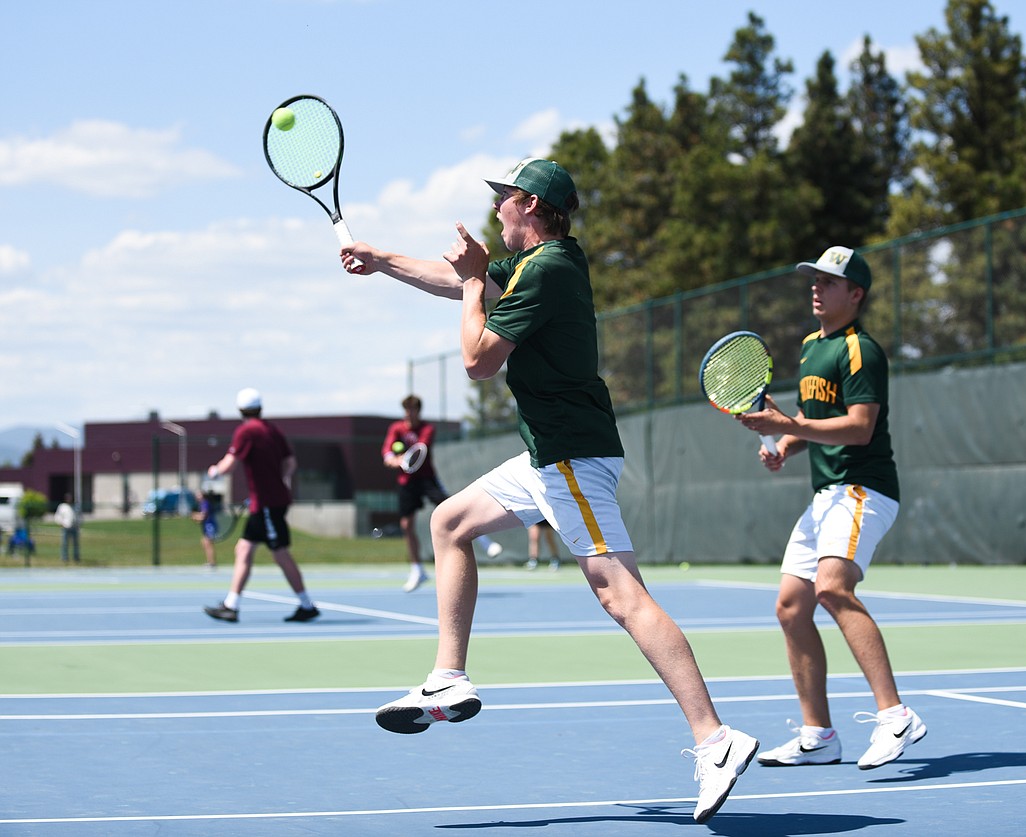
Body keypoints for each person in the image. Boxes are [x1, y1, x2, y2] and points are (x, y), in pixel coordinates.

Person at [341, 158, 758, 823]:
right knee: (449, 522)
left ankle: (715, 738)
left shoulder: (549, 270)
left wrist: (478, 276)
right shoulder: (546, 263)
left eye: (503, 199)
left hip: (570, 457)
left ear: (529, 204)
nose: (497, 209)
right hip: (549, 456)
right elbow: (458, 283)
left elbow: (478, 360)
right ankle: (448, 678)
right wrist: (381, 258)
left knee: (622, 597)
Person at [735, 245, 926, 771]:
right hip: (827, 495)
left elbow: (860, 426)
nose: (816, 288)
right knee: (792, 608)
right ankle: (818, 735)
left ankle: (895, 717)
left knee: (833, 589)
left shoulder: (862, 350)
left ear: (856, 294)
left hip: (864, 489)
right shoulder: (808, 347)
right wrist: (783, 445)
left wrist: (788, 427)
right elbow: (813, 417)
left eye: (830, 282)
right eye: (814, 280)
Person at [203, 388, 319, 623]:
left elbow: (229, 464)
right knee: (244, 550)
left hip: (267, 503)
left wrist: (214, 471)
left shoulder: (246, 431)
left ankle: (307, 605)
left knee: (280, 554)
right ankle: (231, 605)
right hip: (267, 502)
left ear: (240, 410)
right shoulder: (272, 430)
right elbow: (290, 462)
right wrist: (281, 481)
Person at [381, 395, 504, 592]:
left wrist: (403, 458)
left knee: (454, 513)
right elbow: (387, 453)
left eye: (412, 410)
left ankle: (485, 542)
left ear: (418, 411)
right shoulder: (396, 429)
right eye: (406, 410)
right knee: (406, 525)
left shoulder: (427, 429)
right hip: (406, 483)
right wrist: (393, 460)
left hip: (427, 480)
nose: (409, 414)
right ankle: (417, 569)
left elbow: (419, 451)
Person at [192, 488, 220, 569]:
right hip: (206, 526)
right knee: (204, 542)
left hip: (210, 526)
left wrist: (195, 516)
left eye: (198, 494)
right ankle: (209, 561)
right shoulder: (201, 504)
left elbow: (203, 516)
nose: (196, 496)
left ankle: (212, 562)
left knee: (208, 543)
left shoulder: (205, 503)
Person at [54, 493, 80, 564]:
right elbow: (57, 517)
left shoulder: (75, 507)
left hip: (74, 527)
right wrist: (61, 524)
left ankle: (76, 557)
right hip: (65, 527)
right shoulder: (62, 507)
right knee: (65, 543)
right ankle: (64, 557)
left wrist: (78, 524)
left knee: (76, 544)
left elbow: (79, 517)